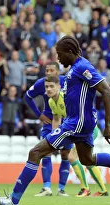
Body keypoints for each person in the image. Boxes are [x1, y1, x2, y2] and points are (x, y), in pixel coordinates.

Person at [0, 36, 110, 205]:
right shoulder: (75, 69)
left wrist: (108, 125)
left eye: (60, 54)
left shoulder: (82, 67)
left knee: (35, 153)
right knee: (88, 159)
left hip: (77, 123)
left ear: (69, 52)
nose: (58, 59)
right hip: (81, 122)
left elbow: (107, 91)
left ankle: (13, 200)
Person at [45, 75, 108, 197]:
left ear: (59, 87)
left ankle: (85, 189)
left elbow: (79, 114)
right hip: (78, 130)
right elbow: (57, 119)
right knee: (87, 159)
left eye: (51, 86)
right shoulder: (51, 101)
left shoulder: (66, 98)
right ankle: (102, 190)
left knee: (73, 157)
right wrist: (53, 139)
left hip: (87, 128)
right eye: (46, 87)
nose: (49, 89)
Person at [25, 62, 71, 197]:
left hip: (67, 122)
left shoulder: (66, 82)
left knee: (65, 154)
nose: (49, 73)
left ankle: (61, 189)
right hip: (49, 122)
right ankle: (46, 188)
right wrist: (39, 115)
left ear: (58, 72)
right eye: (47, 70)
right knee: (45, 152)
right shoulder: (41, 83)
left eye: (52, 70)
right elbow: (27, 96)